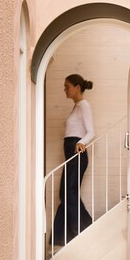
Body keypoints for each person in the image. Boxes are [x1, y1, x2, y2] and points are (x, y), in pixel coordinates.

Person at [50, 74, 95, 250]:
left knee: (69, 194)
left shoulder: (84, 105)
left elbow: (91, 131)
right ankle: (62, 237)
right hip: (71, 154)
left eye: (67, 86)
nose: (65, 90)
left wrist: (80, 142)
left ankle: (85, 229)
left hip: (77, 153)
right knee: (66, 194)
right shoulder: (76, 107)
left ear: (77, 87)